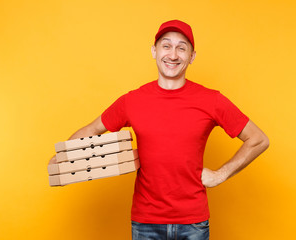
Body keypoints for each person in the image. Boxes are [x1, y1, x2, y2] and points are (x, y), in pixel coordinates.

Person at [49, 20, 269, 240]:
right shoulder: (132, 101)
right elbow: (93, 129)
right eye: (166, 46)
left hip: (193, 223)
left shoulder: (211, 100)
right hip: (146, 223)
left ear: (192, 57)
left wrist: (220, 175)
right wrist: (63, 156)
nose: (173, 55)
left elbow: (258, 139)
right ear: (154, 51)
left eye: (182, 48)